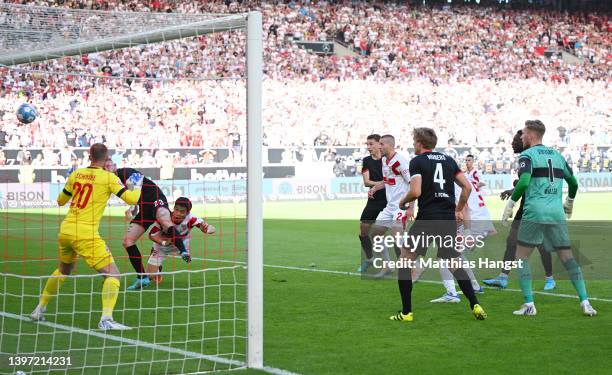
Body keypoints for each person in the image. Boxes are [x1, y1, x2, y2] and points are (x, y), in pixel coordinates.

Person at [30, 143, 142, 330]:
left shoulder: (76, 174)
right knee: (113, 275)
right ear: (106, 159)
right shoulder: (108, 178)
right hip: (85, 233)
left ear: (89, 156)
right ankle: (106, 320)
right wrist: (137, 185)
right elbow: (132, 199)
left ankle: (39, 309)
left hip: (66, 230)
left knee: (64, 270)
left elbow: (60, 201)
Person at [502, 120, 596, 316]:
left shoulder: (527, 155)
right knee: (568, 257)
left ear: (530, 135)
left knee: (521, 257)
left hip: (535, 212)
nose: (521, 137)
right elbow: (574, 183)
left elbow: (525, 181)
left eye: (523, 134)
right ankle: (585, 302)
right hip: (556, 213)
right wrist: (569, 203)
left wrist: (511, 204)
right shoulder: (558, 155)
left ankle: (529, 305)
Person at [392, 127, 487, 322]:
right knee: (453, 262)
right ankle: (474, 303)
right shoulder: (449, 160)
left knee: (404, 260)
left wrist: (403, 202)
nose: (412, 144)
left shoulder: (417, 161)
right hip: (447, 220)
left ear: (419, 143)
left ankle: (407, 312)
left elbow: (416, 191)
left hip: (427, 219)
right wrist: (458, 209)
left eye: (413, 140)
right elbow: (466, 187)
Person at [484, 130, 555, 290]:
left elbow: (531, 182)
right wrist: (512, 189)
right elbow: (526, 181)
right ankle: (503, 278)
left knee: (541, 243)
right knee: (511, 241)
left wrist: (512, 195)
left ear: (525, 140)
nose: (513, 143)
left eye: (516, 139)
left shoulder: (530, 156)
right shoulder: (526, 156)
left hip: (536, 206)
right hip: (525, 206)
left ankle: (550, 278)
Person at [104, 163, 190, 290]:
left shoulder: (126, 173)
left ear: (114, 166)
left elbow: (134, 189)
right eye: (104, 168)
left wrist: (132, 207)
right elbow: (134, 196)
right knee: (128, 241)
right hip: (144, 208)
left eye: (108, 166)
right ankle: (142, 277)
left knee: (166, 223)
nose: (105, 169)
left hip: (155, 198)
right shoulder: (110, 182)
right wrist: (134, 208)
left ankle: (183, 251)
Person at [366, 134, 414, 277]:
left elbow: (413, 184)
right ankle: (387, 265)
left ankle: (414, 267)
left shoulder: (400, 162)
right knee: (375, 234)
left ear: (388, 145)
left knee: (397, 237)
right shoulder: (384, 161)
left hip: (401, 206)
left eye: (381, 144)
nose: (378, 146)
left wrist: (411, 207)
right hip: (389, 207)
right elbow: (388, 181)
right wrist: (376, 187)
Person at [145, 197, 216, 283]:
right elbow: (151, 235)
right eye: (176, 210)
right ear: (173, 209)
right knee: (150, 276)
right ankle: (158, 270)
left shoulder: (191, 219)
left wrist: (207, 229)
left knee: (185, 254)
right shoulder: (164, 218)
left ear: (187, 213)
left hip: (182, 244)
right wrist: (164, 242)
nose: (178, 214)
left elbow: (212, 229)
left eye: (182, 211)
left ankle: (184, 253)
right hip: (162, 246)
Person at [357, 134, 387, 273]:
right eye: (367, 144)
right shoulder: (366, 160)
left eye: (371, 144)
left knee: (395, 233)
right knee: (363, 230)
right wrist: (383, 183)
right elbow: (366, 182)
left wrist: (385, 184)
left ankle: (407, 263)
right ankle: (369, 259)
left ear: (379, 144)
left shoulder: (388, 159)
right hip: (374, 200)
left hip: (389, 200)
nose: (368, 147)